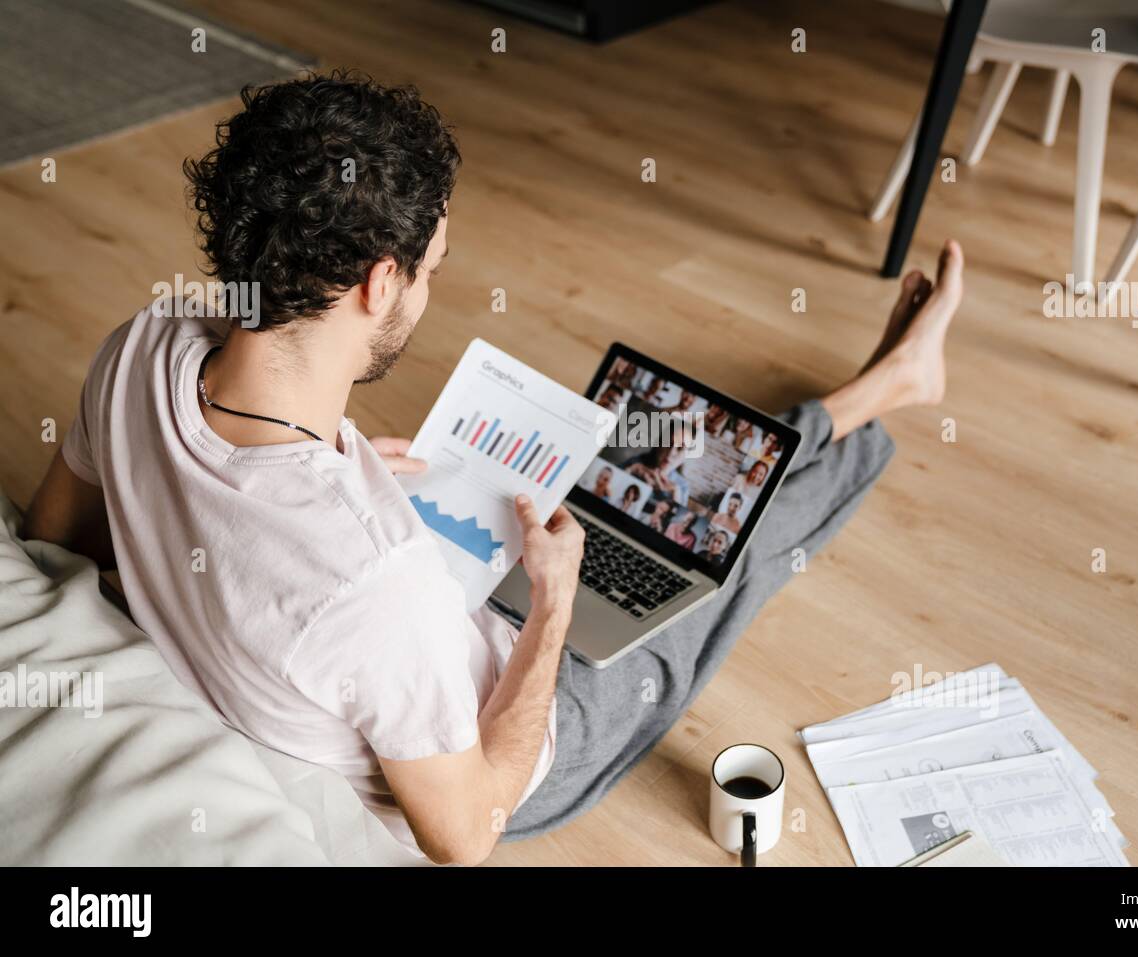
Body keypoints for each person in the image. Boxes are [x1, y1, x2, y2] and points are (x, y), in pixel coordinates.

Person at [21, 69, 965, 864]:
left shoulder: (141, 347)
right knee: (718, 547)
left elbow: (51, 536)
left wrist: (312, 504)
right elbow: (467, 829)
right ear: (379, 282)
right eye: (430, 268)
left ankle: (859, 399)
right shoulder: (366, 578)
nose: (428, 289)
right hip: (509, 725)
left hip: (422, 610)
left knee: (624, 480)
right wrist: (554, 605)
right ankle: (884, 393)